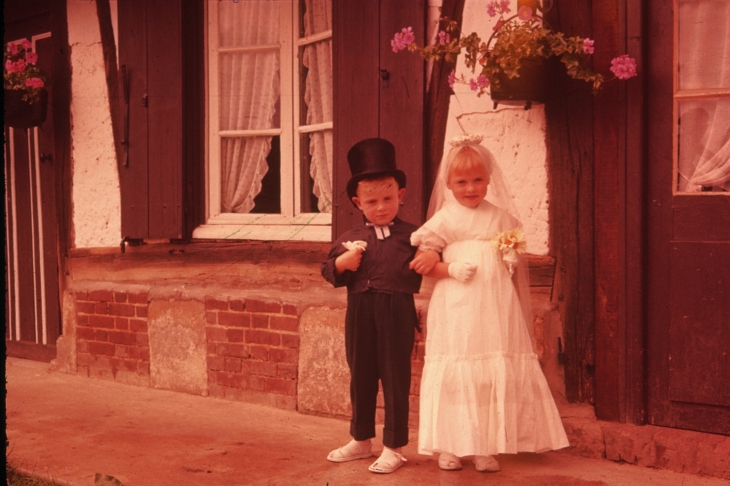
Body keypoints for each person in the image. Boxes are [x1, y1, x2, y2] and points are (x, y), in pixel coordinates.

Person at [408, 134, 569, 473]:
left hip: (494, 305)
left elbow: (509, 258)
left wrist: (509, 257)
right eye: (462, 181)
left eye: (478, 180)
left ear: (488, 179)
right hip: (457, 305)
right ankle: (450, 445)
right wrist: (448, 268)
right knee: (459, 367)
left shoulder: (500, 218)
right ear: (449, 184)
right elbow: (423, 262)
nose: (470, 188)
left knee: (488, 372)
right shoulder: (444, 220)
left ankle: (485, 445)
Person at [321, 138, 422, 474]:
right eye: (372, 201)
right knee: (360, 373)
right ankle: (361, 439)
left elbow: (433, 258)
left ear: (401, 195)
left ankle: (394, 446)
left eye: (388, 199)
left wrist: (431, 255)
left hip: (396, 310)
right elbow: (327, 270)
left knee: (395, 376)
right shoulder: (349, 235)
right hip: (359, 312)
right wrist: (343, 263)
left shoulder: (414, 235)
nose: (381, 207)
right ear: (357, 202)